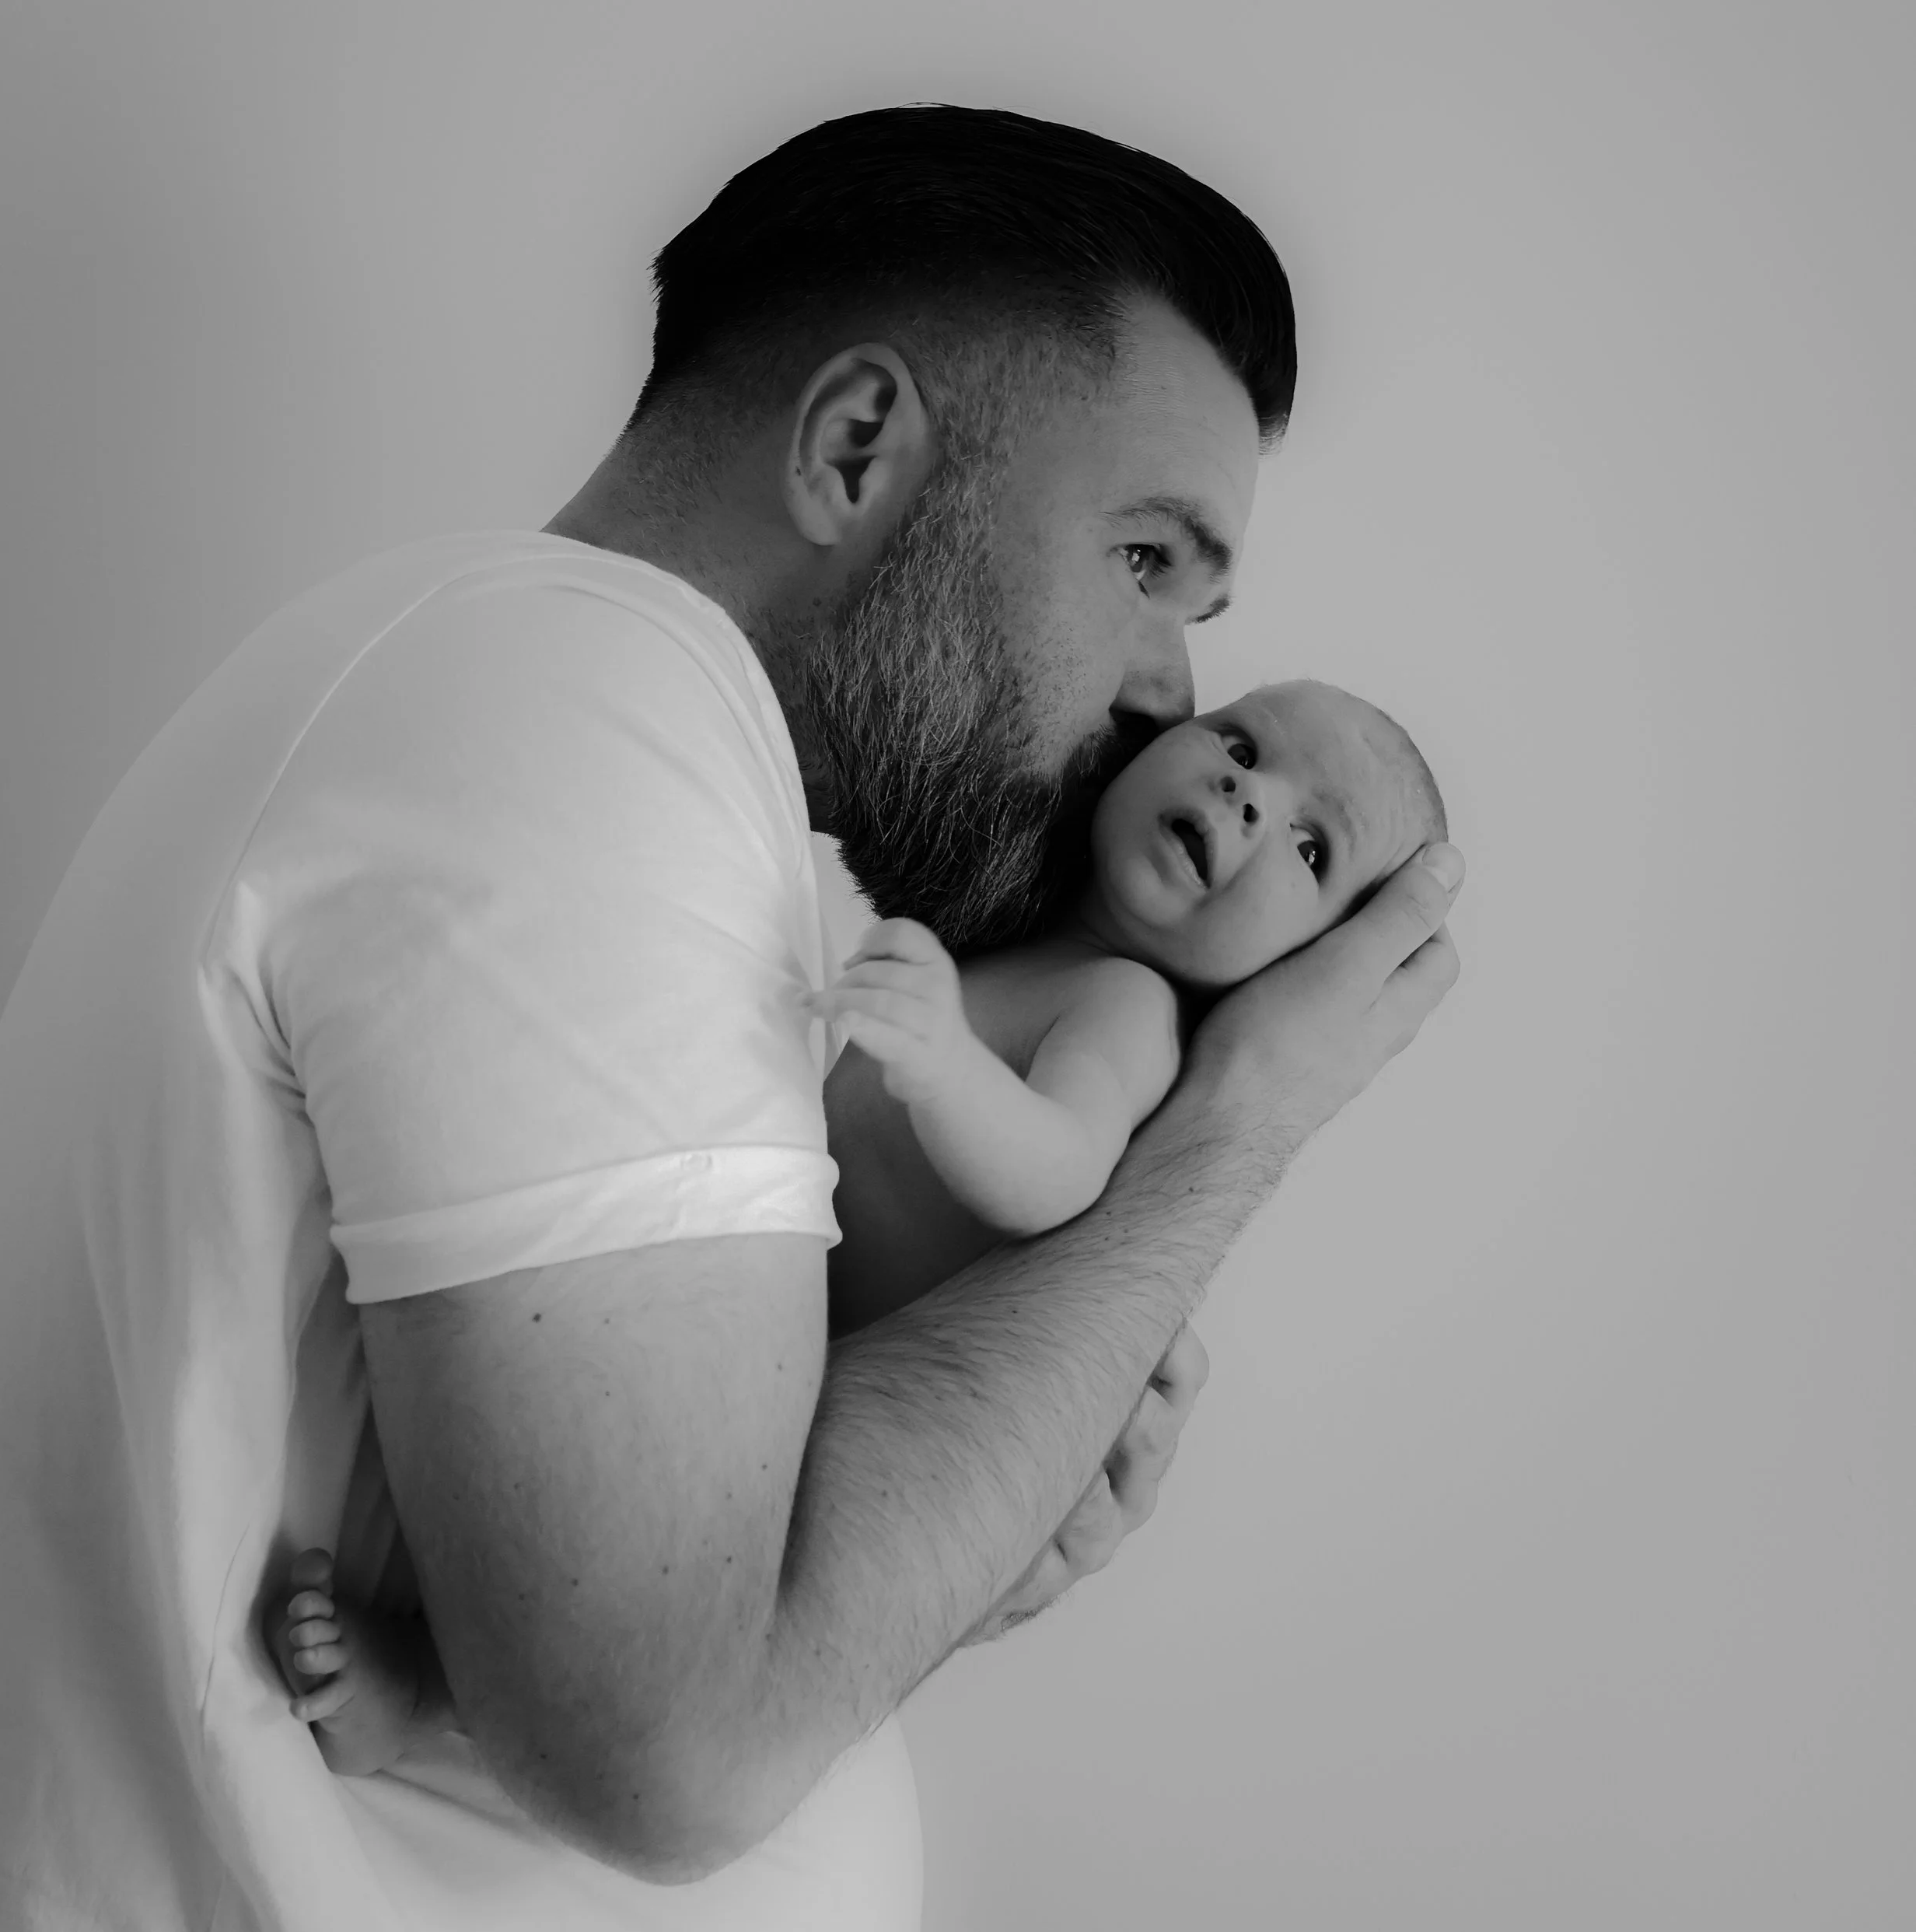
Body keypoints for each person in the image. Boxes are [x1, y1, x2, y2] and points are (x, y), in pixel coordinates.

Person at [0, 105, 1463, 1931]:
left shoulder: (640, 774)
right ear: (855, 449)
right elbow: (673, 1742)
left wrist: (953, 1522)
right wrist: (1236, 1131)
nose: (1169, 691)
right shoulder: (588, 705)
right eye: (1145, 561)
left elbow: (714, 1625)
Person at [268, 675, 1452, 1772]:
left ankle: (426, 1688)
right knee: (580, 1486)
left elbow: (1060, 1169)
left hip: (836, 1391)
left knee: (652, 1577)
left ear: (1307, 970)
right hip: (762, 1313)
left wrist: (944, 1066)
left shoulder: (1126, 1008)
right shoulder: (1027, 934)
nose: (1249, 792)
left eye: (1309, 845)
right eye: (1240, 745)